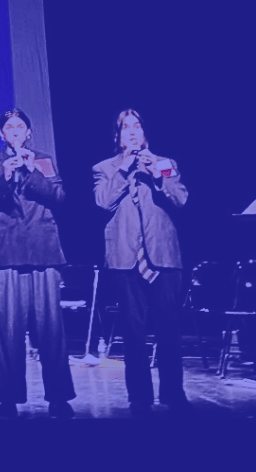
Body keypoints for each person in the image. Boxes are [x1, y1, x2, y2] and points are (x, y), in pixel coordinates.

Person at [92, 109, 191, 417]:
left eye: (137, 126)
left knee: (168, 329)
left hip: (162, 257)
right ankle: (139, 397)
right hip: (125, 258)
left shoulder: (165, 163)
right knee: (133, 332)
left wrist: (157, 174)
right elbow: (102, 202)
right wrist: (124, 170)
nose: (132, 131)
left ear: (144, 133)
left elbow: (181, 199)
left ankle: (174, 393)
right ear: (118, 136)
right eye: (125, 127)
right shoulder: (104, 168)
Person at [0, 108, 76, 419]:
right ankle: (8, 397)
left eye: (20, 126)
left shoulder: (43, 160)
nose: (15, 131)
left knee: (51, 329)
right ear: (1, 134)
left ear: (29, 132)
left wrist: (32, 172)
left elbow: (59, 197)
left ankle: (58, 397)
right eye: (9, 127)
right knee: (9, 331)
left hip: (43, 250)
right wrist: (5, 178)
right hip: (6, 252)